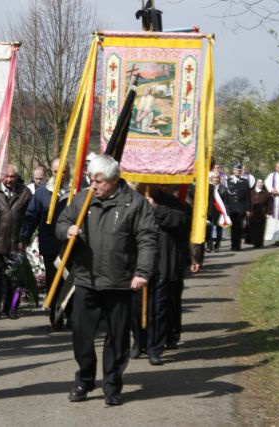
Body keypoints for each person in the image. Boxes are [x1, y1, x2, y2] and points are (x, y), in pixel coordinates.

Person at [56, 155, 158, 406]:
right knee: (81, 333)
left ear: (113, 180)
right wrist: (67, 230)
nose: (94, 185)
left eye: (99, 181)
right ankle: (85, 379)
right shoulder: (83, 198)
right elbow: (61, 222)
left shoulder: (134, 203)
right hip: (85, 279)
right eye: (91, 180)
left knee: (117, 337)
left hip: (120, 281)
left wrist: (142, 272)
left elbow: (147, 239)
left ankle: (112, 385)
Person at [131, 184, 190, 365]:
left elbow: (180, 222)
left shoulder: (173, 203)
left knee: (158, 309)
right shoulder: (131, 201)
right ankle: (138, 343)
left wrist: (156, 208)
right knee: (136, 308)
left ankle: (155, 348)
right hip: (137, 265)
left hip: (162, 264)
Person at [20, 158, 72, 330]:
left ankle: (73, 316)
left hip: (72, 246)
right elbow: (31, 217)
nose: (61, 174)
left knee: (72, 282)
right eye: (57, 171)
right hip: (51, 246)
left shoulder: (76, 191)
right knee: (54, 283)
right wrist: (23, 238)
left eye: (64, 170)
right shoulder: (42, 193)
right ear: (52, 172)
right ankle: (56, 318)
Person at [0, 164, 32, 320]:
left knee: (15, 280)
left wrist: (24, 239)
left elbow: (29, 219)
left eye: (12, 176)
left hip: (16, 244)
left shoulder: (25, 193)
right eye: (6, 176)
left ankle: (12, 308)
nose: (9, 179)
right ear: (1, 176)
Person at [226, 163, 251, 251]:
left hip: (241, 208)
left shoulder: (245, 182)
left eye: (240, 170)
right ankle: (233, 245)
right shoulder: (228, 181)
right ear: (233, 170)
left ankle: (238, 245)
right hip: (232, 208)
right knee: (233, 228)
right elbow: (226, 196)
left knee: (239, 228)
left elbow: (248, 197)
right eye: (237, 170)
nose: (238, 172)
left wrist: (248, 209)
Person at [206, 172, 228, 252]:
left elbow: (226, 202)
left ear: (219, 179)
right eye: (214, 178)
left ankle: (217, 246)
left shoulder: (223, 189)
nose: (216, 179)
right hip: (210, 211)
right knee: (209, 229)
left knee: (219, 230)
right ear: (211, 179)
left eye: (217, 178)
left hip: (220, 212)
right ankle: (209, 246)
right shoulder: (208, 187)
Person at [247, 179, 273, 248]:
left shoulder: (266, 193)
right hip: (252, 213)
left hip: (262, 214)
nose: (260, 184)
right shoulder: (251, 192)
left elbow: (270, 204)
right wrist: (247, 211)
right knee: (252, 228)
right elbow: (248, 202)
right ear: (256, 183)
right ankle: (254, 242)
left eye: (262, 182)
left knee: (260, 229)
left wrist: (268, 213)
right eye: (259, 182)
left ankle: (259, 244)